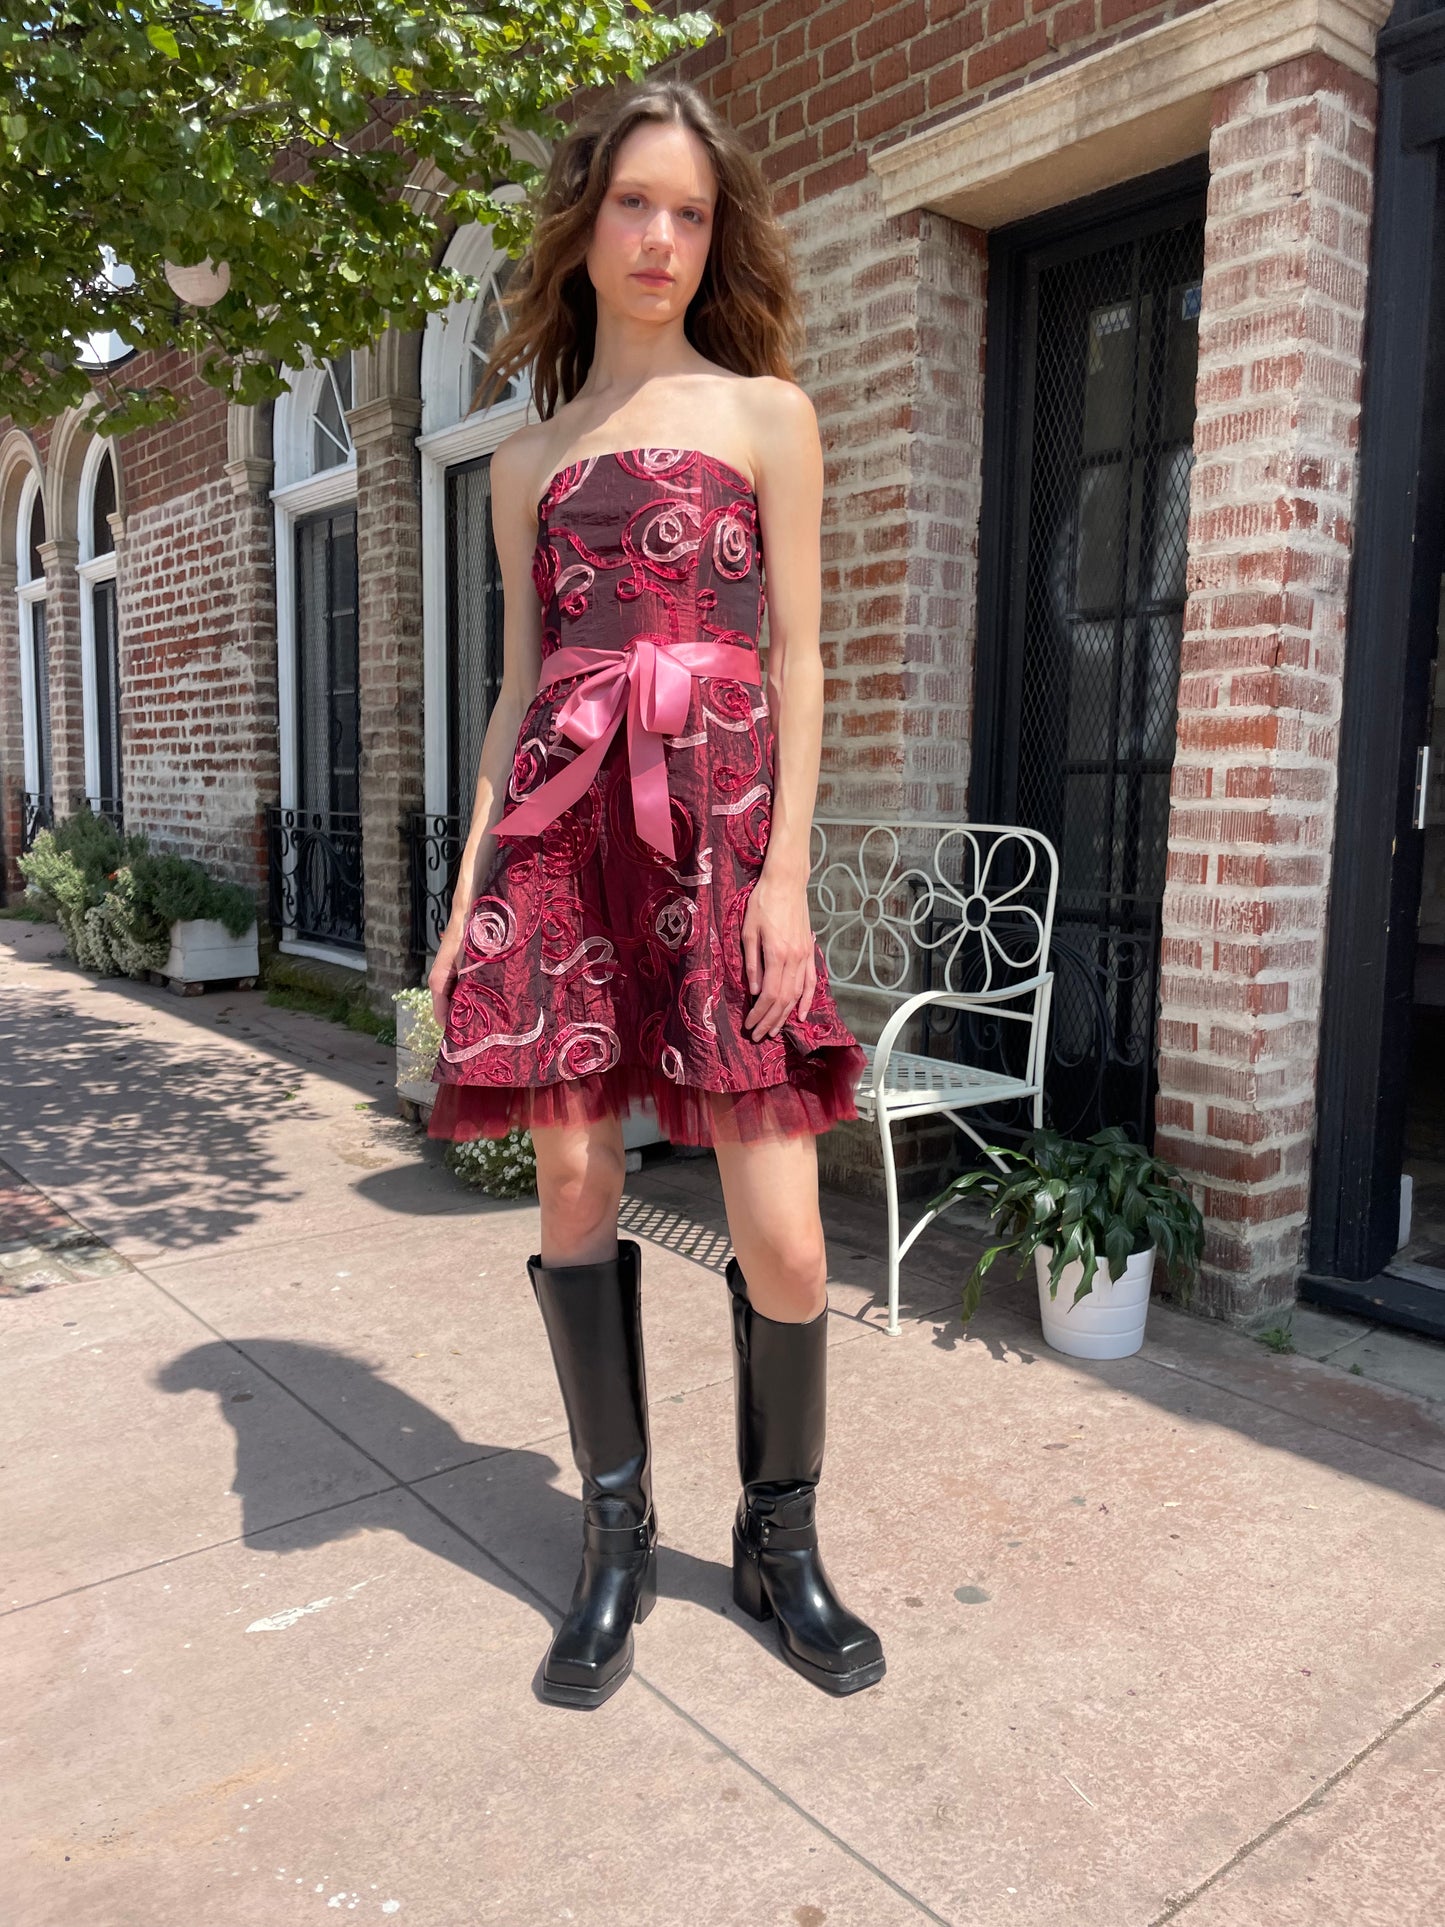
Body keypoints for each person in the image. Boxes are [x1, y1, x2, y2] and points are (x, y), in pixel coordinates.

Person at [426, 76, 885, 1709]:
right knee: (568, 1191)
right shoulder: (522, 461)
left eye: (690, 211)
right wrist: (471, 888)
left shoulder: (769, 413)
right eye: (635, 203)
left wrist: (786, 878)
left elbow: (804, 654)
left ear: (716, 234)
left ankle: (782, 1541)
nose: (662, 239)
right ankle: (614, 1537)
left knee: (778, 1229)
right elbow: (516, 689)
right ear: (586, 221)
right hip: (562, 843)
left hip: (717, 835)